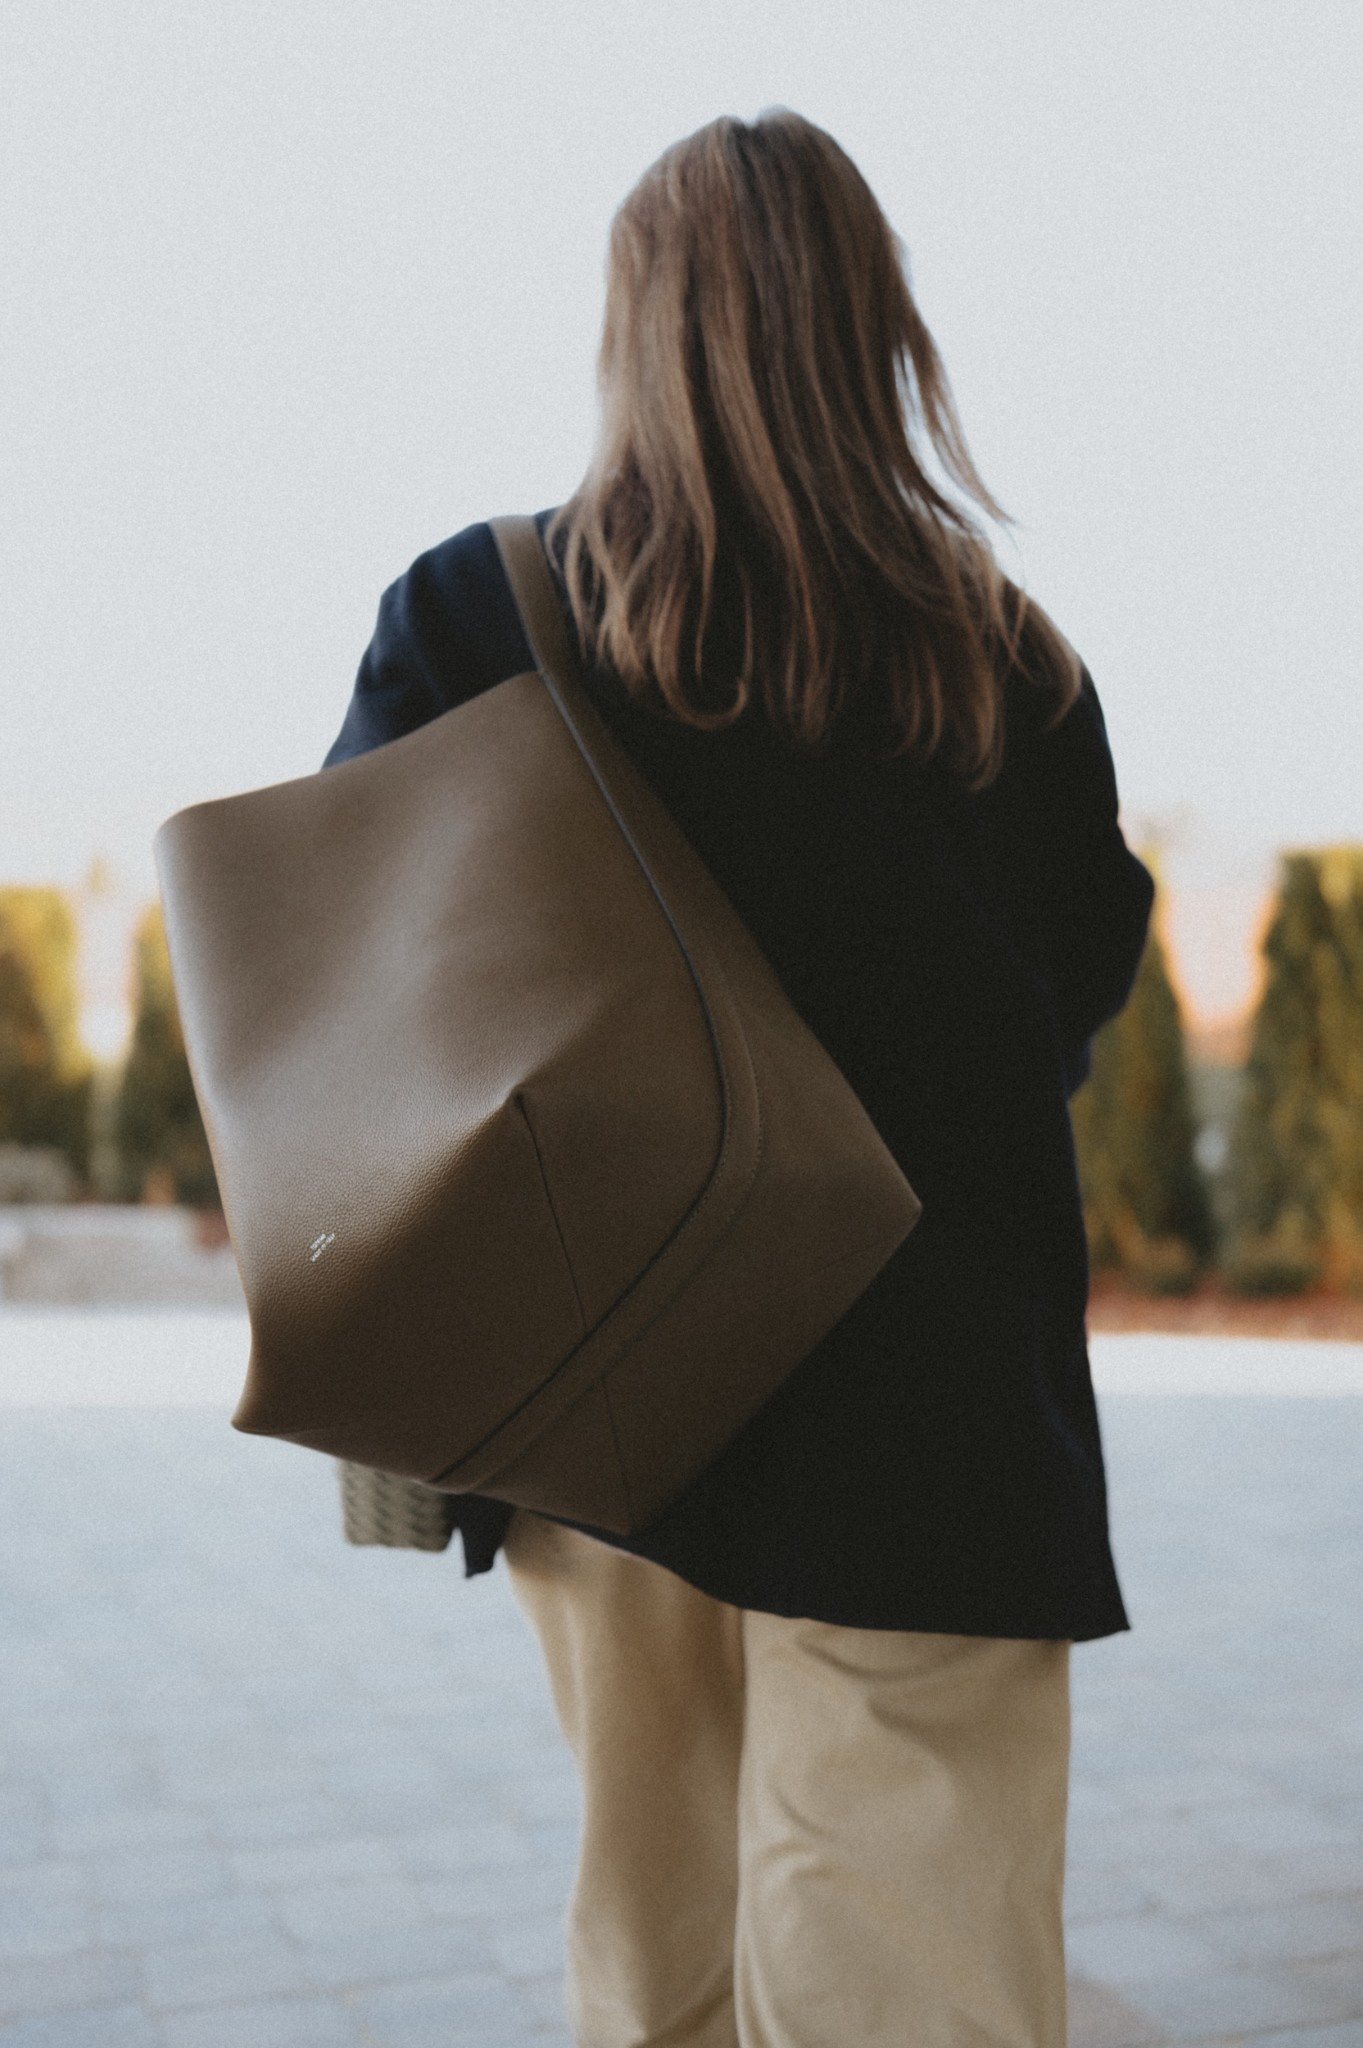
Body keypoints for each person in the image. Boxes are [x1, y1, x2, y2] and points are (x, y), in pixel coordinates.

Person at [325, 110, 1153, 2048]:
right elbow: (1078, 986)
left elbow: (360, 993)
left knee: (661, 1955)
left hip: (609, 1403)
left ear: (636, 332)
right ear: (874, 330)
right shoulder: (999, 660)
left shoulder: (480, 613)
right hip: (933, 1413)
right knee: (916, 1977)